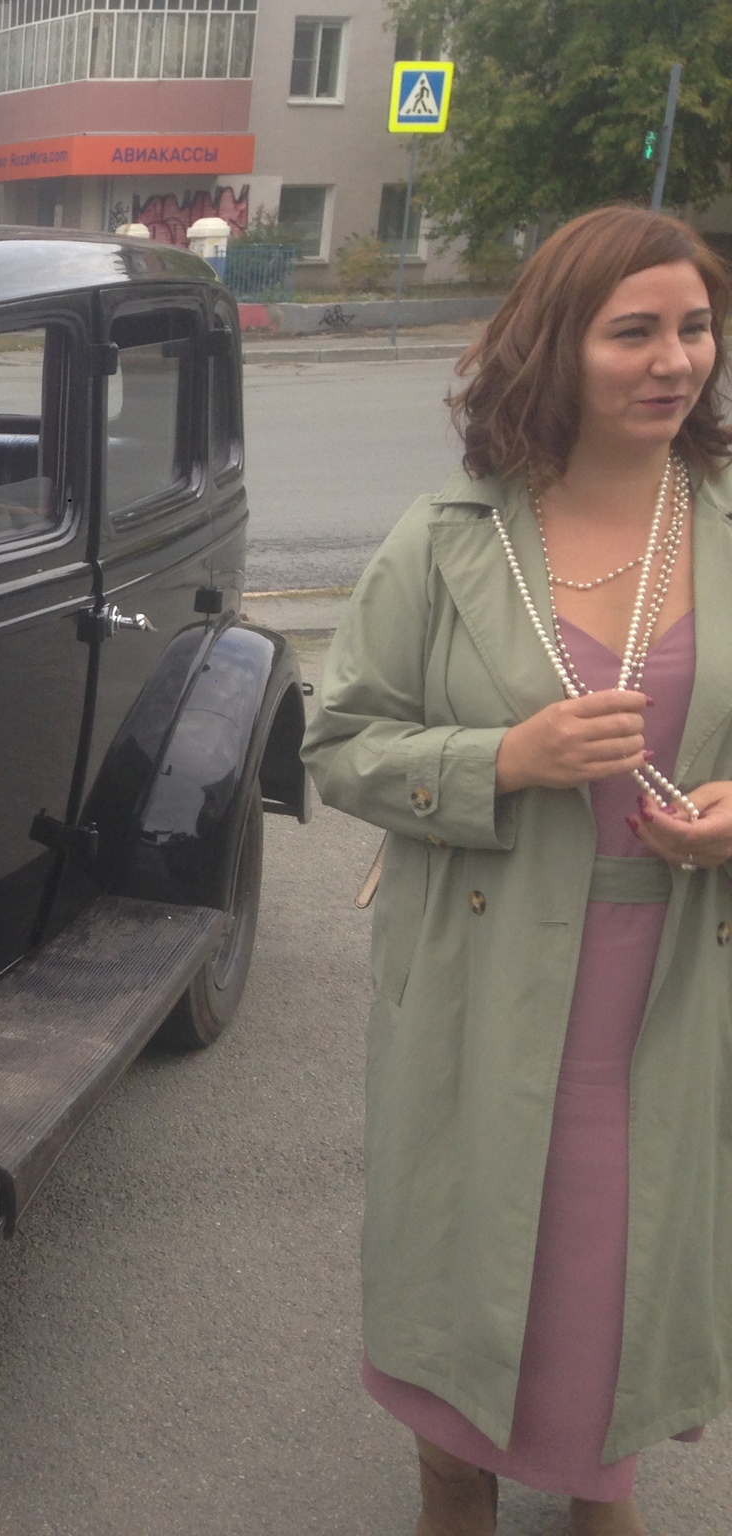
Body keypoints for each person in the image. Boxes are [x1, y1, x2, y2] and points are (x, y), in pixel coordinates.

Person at [301, 204, 732, 1536]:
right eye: (634, 332)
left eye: (697, 327)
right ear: (557, 346)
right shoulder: (449, 539)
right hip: (483, 965)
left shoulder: (722, 524)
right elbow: (340, 742)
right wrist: (506, 758)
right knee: (469, 1239)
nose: (675, 360)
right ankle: (453, 1478)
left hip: (665, 975)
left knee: (622, 1247)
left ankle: (600, 1478)